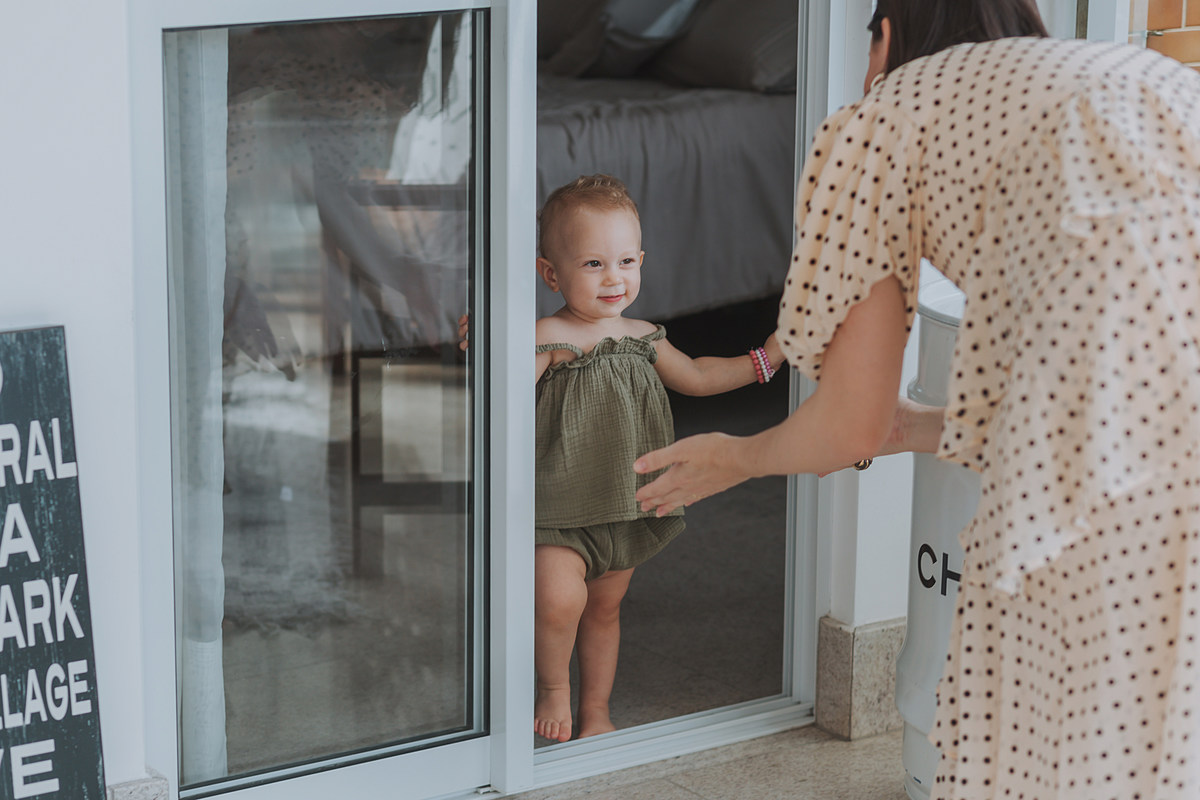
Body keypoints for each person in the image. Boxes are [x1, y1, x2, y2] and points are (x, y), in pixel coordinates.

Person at [634, 2, 1200, 797]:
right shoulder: (1129, 79)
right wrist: (913, 429)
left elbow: (848, 424)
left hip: (1112, 513)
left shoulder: (887, 115)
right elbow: (1118, 384)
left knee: (1037, 742)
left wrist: (737, 455)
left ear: (890, 36)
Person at [528, 174, 784, 742]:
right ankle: (552, 689)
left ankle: (596, 710)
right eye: (593, 264)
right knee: (559, 601)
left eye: (625, 261)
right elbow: (502, 391)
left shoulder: (644, 335)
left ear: (641, 261)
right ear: (552, 274)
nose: (613, 277)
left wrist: (765, 359)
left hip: (625, 506)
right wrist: (491, 343)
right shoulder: (549, 335)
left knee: (605, 610)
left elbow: (697, 376)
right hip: (559, 509)